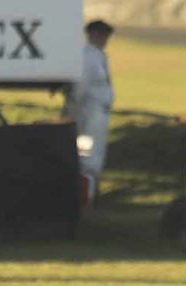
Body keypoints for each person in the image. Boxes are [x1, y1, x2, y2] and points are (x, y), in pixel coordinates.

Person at [66, 20, 115, 193]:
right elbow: (81, 86)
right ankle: (85, 194)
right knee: (87, 156)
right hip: (88, 113)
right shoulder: (88, 56)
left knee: (94, 154)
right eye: (102, 34)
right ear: (93, 34)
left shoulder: (98, 55)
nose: (105, 39)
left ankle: (90, 193)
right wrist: (74, 113)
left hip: (98, 112)